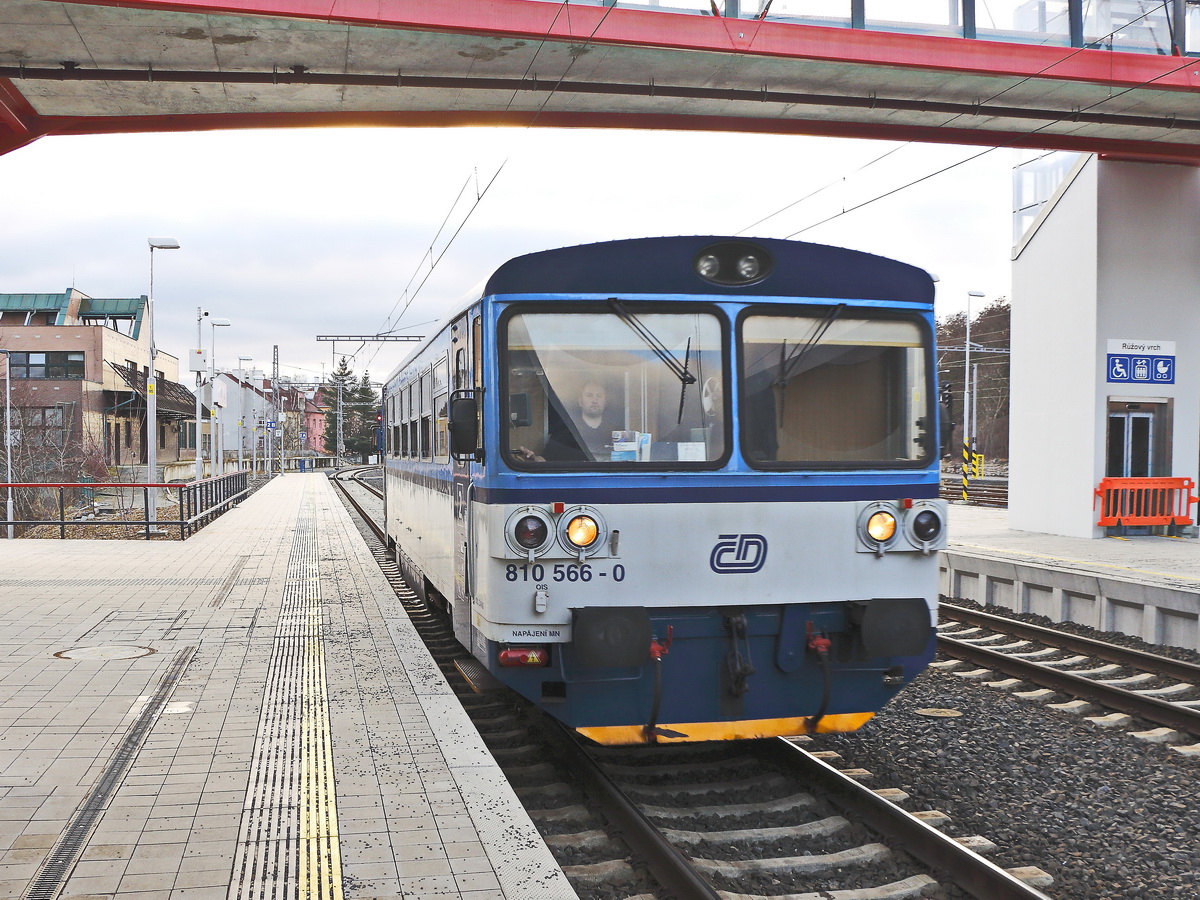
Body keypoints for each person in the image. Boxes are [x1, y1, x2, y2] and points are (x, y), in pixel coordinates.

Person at [517, 379, 620, 462]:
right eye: (589, 395)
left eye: (599, 396)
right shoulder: (565, 433)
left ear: (605, 402)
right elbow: (545, 460)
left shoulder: (616, 434)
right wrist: (532, 459)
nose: (594, 400)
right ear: (580, 401)